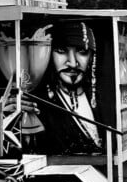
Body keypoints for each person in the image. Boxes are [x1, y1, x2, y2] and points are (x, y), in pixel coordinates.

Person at [30, 21, 103, 155]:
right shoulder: (36, 103)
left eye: (82, 51)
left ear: (92, 57)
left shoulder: (101, 98)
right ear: (48, 54)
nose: (73, 63)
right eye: (61, 51)